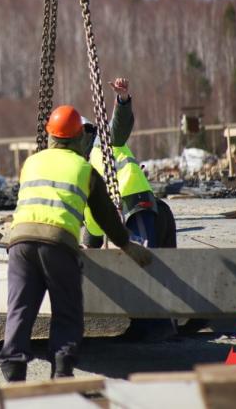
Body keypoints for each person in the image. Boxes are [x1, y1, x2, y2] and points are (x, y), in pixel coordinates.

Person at [0, 105, 153, 382]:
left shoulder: (31, 162)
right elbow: (105, 216)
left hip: (19, 243)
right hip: (57, 243)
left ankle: (13, 372)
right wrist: (126, 244)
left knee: (20, 307)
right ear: (79, 137)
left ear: (51, 135)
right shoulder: (84, 169)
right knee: (66, 308)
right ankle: (62, 370)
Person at [82, 78, 178, 341]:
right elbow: (91, 219)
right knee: (143, 262)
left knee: (142, 262)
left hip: (134, 205)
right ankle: (148, 324)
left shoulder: (104, 143)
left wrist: (122, 101)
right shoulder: (84, 161)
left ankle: (157, 327)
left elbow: (119, 129)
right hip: (141, 208)